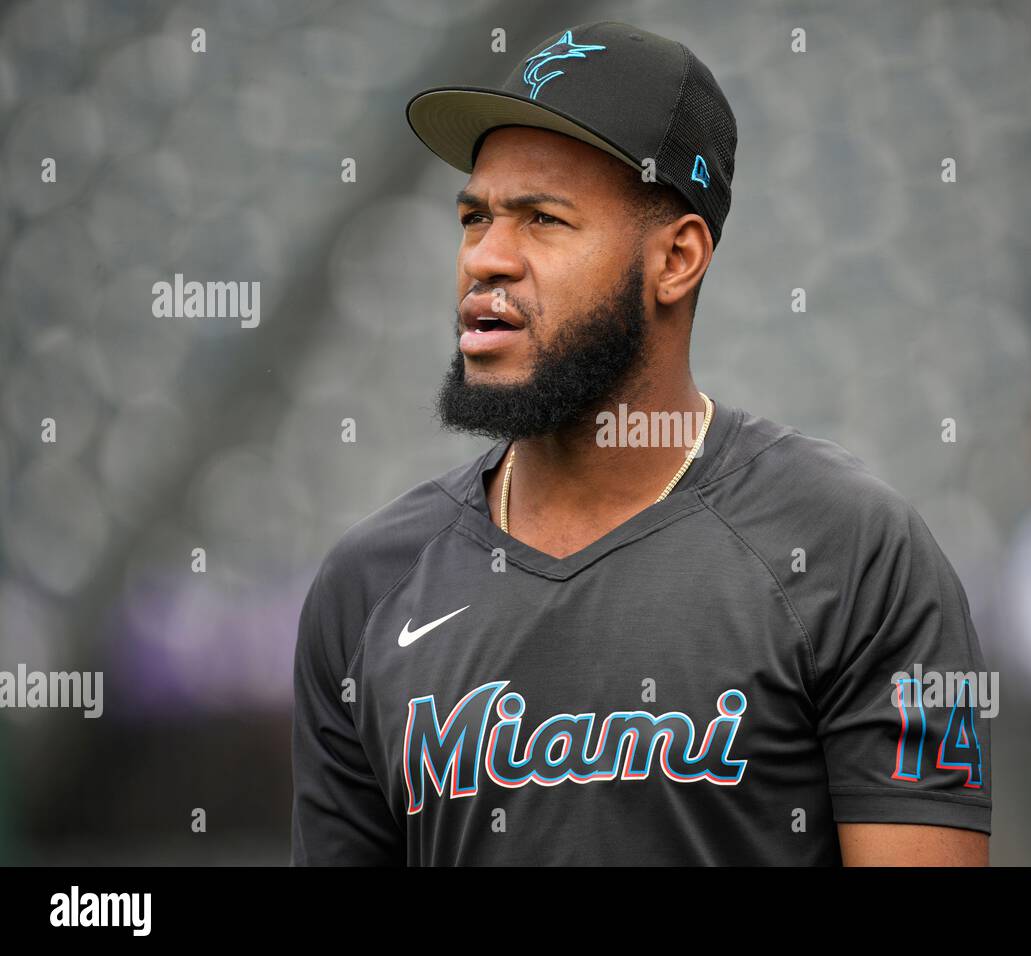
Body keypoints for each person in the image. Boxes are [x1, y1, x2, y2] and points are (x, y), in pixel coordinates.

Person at [290, 21, 991, 866]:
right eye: (475, 216)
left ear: (677, 258)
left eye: (542, 219)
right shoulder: (369, 586)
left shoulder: (848, 553)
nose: (487, 258)